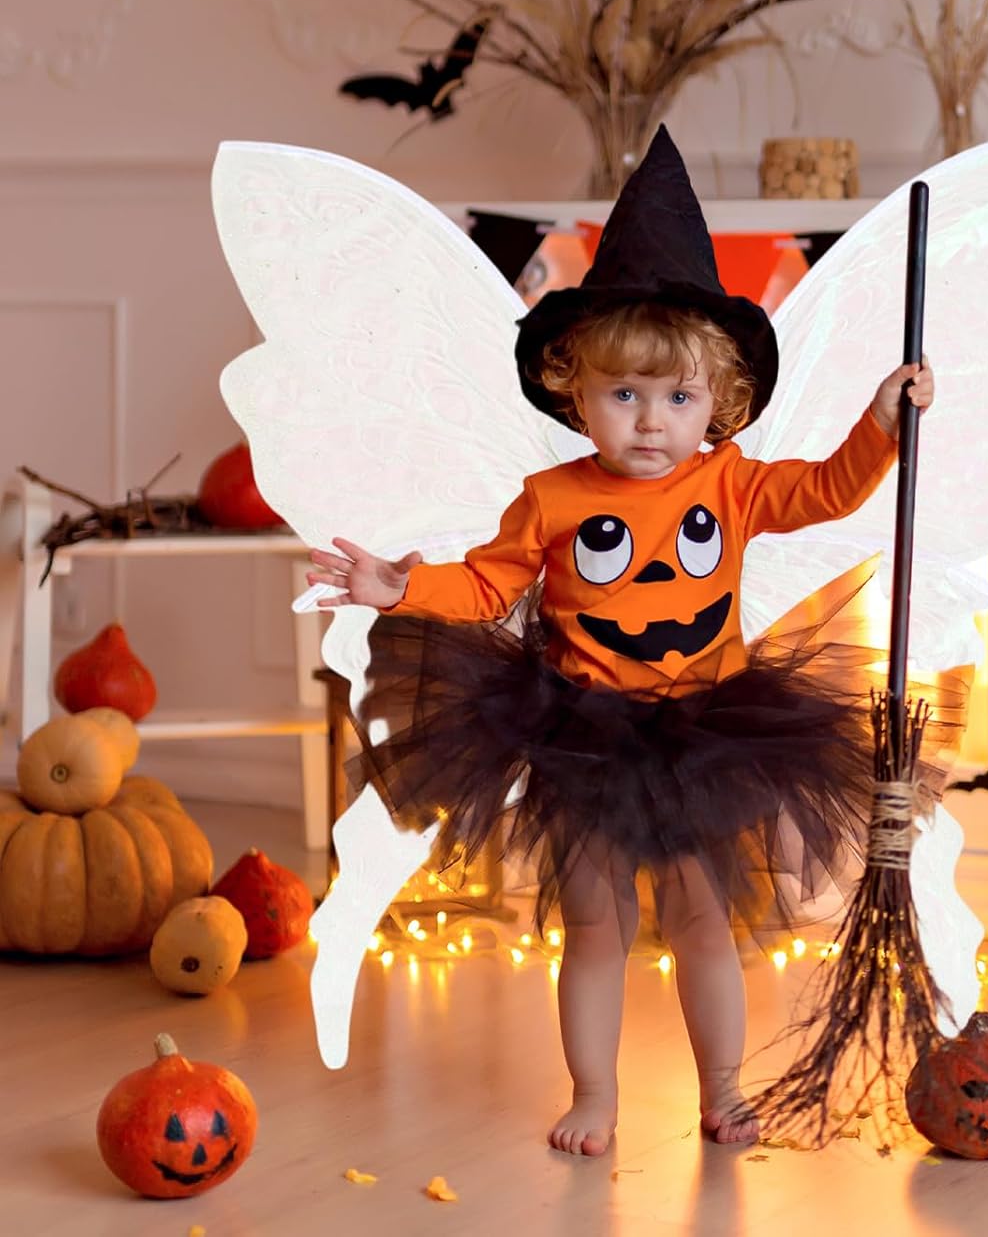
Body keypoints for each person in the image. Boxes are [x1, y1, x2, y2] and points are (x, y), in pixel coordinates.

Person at [306, 128, 932, 1157]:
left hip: (702, 735)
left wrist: (882, 424)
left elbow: (828, 489)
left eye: (678, 398)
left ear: (719, 403)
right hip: (585, 736)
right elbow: (489, 585)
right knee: (594, 924)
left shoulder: (731, 484)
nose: (650, 422)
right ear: (576, 390)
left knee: (703, 921)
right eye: (624, 394)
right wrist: (400, 585)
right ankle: (593, 1093)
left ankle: (723, 1091)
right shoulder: (550, 497)